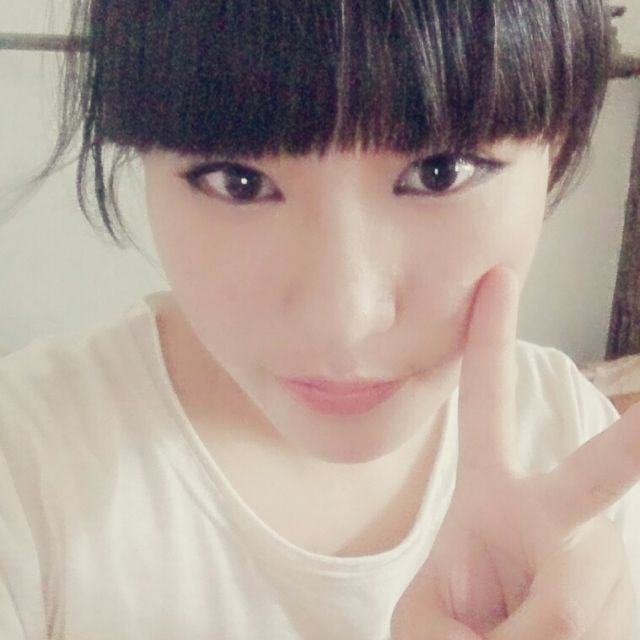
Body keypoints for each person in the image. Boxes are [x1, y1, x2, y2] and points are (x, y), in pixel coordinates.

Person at [2, 0, 639, 638]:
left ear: (556, 151)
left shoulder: (573, 443)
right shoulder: (25, 472)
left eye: (438, 173)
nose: (343, 322)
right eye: (239, 181)